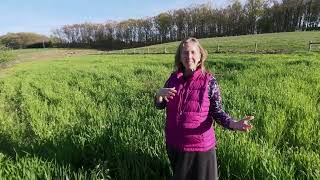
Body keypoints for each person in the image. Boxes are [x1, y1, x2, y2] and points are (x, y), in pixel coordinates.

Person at [154, 37, 254, 180]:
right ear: (180, 57)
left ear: (200, 56)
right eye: (185, 53)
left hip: (200, 147)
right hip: (174, 144)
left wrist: (234, 124)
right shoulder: (172, 79)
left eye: (193, 52)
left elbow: (217, 111)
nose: (189, 56)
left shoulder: (209, 81)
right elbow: (160, 105)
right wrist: (158, 94)